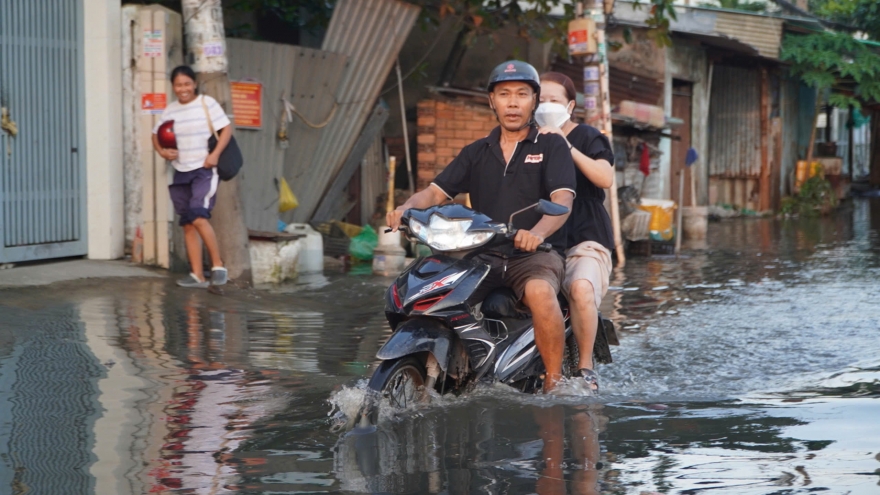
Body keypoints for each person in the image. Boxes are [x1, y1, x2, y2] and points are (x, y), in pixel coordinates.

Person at [387, 60, 576, 393]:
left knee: (540, 292)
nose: (513, 102)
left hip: (534, 255)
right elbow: (434, 192)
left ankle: (553, 381)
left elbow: (563, 200)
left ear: (534, 101)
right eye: (504, 94)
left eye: (522, 94)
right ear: (492, 101)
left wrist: (538, 233)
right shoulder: (476, 151)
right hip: (481, 253)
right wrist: (405, 208)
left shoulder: (551, 145)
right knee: (428, 288)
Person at [536, 72, 615, 391]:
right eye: (540, 100)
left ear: (570, 105)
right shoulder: (528, 140)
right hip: (542, 238)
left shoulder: (587, 136)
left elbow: (604, 178)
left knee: (581, 288)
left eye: (553, 100)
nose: (545, 106)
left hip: (585, 236)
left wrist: (565, 146)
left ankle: (586, 369)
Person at [152, 65, 233, 288]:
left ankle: (218, 265)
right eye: (178, 85)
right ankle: (197, 275)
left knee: (198, 215)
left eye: (187, 84)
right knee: (188, 223)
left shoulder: (207, 103)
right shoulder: (170, 111)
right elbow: (155, 135)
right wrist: (162, 151)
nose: (183, 89)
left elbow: (226, 129)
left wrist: (215, 155)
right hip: (181, 171)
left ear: (194, 84)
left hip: (204, 169)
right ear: (173, 87)